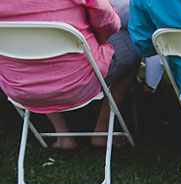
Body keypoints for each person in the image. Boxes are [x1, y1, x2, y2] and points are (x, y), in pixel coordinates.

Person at [0, 0, 140, 149]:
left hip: (20, 87)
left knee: (31, 58)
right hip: (80, 83)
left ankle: (63, 134)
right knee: (132, 44)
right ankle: (102, 130)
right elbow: (109, 22)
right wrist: (97, 38)